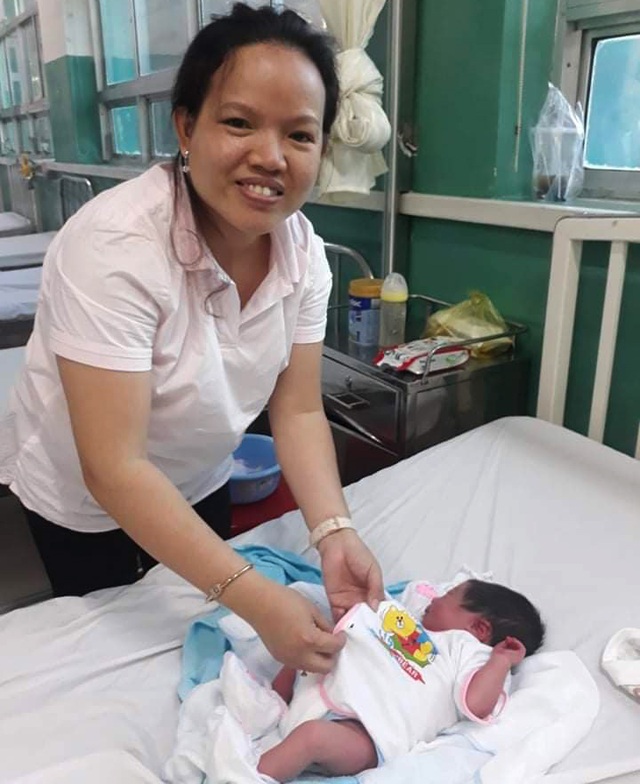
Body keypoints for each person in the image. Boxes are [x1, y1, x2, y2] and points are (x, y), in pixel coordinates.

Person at [0, 3, 383, 675]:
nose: (269, 157)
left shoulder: (305, 256)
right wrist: (259, 602)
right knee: (118, 664)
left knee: (199, 640)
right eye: (239, 122)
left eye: (299, 135)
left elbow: (294, 409)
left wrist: (333, 531)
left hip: (201, 473)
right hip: (86, 498)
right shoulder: (114, 247)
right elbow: (114, 467)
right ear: (186, 126)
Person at [257, 579, 545, 781]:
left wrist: (501, 660)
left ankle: (249, 777)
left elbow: (477, 703)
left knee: (313, 737)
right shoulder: (409, 623)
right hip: (325, 689)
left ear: (479, 627)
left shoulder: (471, 653)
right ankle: (271, 706)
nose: (434, 599)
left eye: (448, 595)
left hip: (364, 732)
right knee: (304, 648)